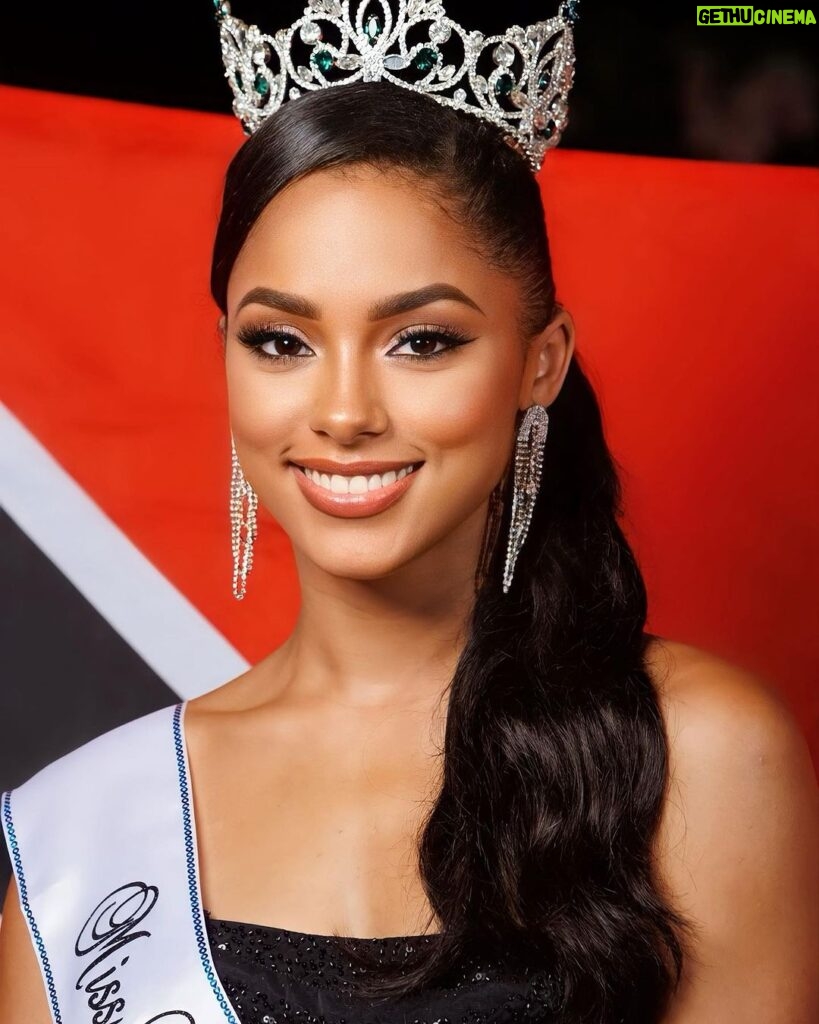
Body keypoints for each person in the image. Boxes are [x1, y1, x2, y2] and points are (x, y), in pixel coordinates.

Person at [1, 3, 818, 1022]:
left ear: (540, 361)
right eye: (281, 342)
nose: (343, 412)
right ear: (226, 358)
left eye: (422, 340)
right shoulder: (79, 835)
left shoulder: (701, 757)